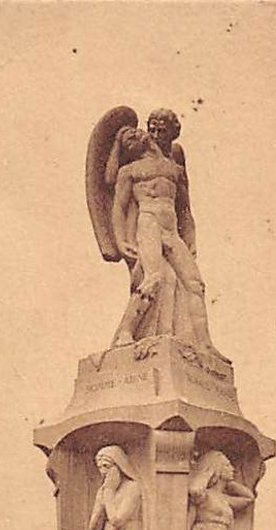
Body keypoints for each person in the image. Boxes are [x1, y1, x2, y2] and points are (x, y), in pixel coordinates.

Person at [108, 125, 228, 363]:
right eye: (129, 139)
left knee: (195, 284)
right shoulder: (130, 171)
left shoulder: (174, 169)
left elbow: (185, 209)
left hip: (171, 230)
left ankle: (204, 344)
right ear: (128, 149)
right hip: (149, 223)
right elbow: (119, 208)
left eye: (136, 131)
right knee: (153, 278)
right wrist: (121, 240)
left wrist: (191, 237)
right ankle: (126, 331)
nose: (137, 135)